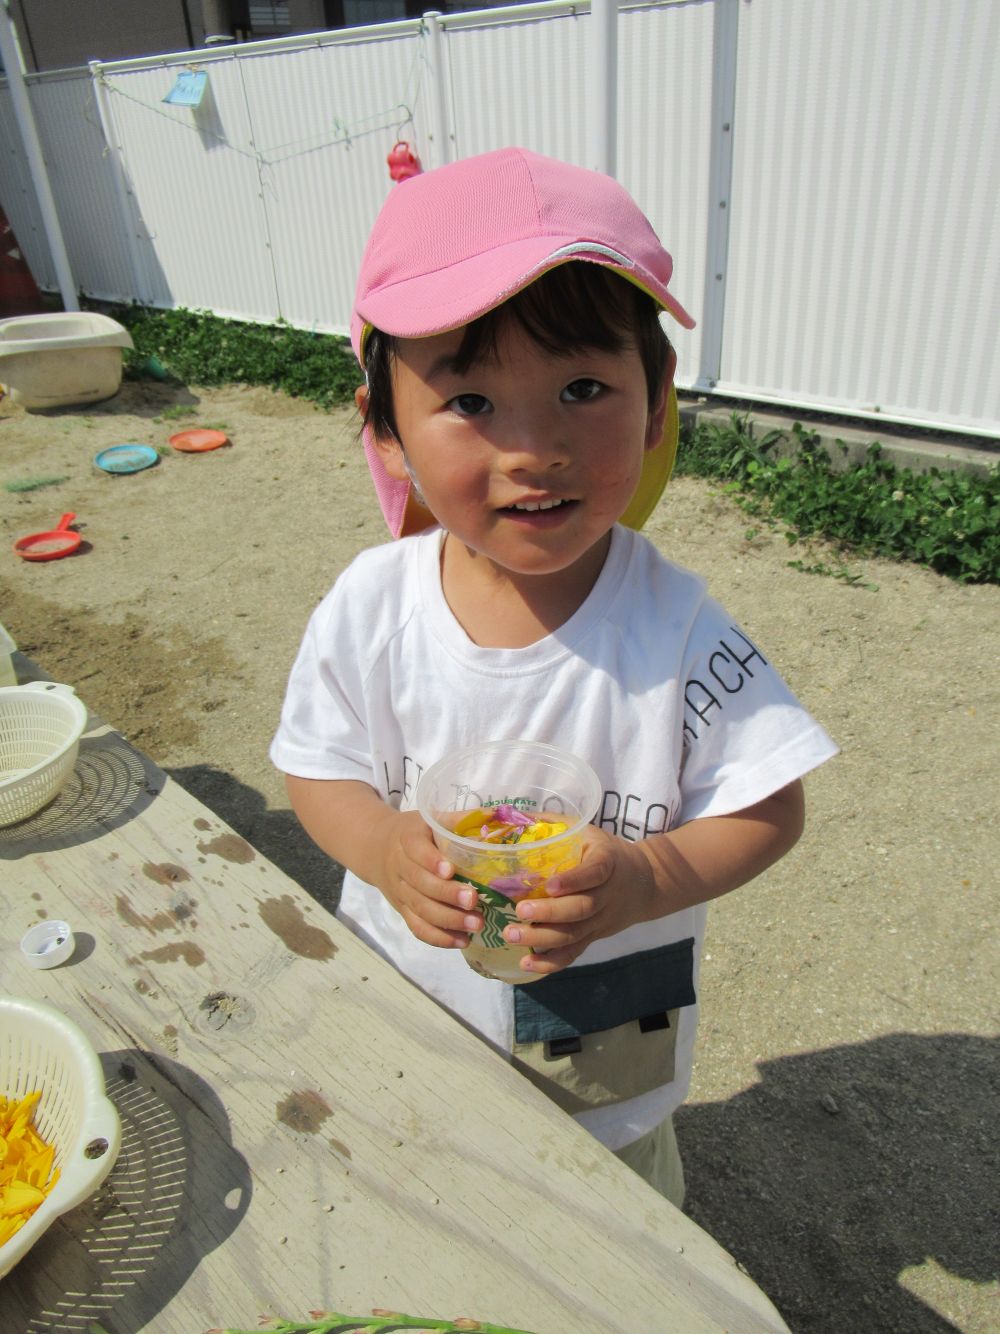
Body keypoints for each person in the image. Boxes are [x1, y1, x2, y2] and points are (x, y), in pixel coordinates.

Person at [270, 146, 838, 1208]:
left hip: (602, 1047)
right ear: (386, 431)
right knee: (423, 1217)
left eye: (583, 387)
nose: (534, 447)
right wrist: (382, 849)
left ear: (657, 400)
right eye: (472, 400)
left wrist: (646, 880)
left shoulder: (674, 628)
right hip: (408, 1014)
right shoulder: (369, 607)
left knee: (614, 1242)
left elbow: (771, 805)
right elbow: (318, 766)